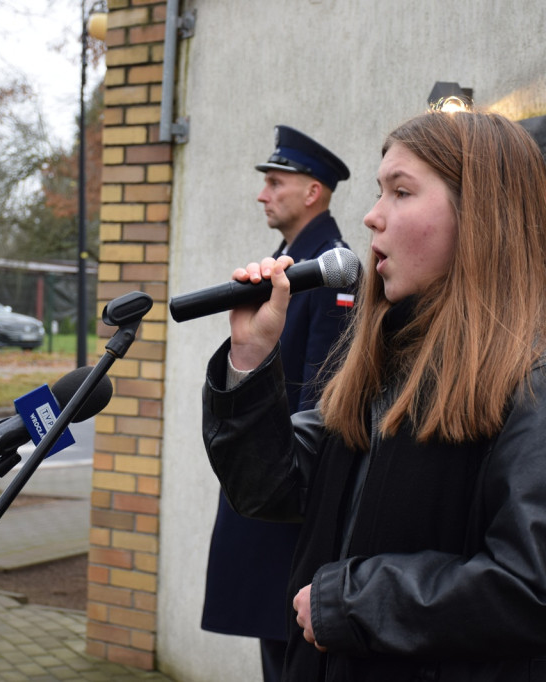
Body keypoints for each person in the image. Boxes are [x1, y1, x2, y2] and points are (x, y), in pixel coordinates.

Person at [202, 110, 546, 681]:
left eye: (401, 192)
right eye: (379, 192)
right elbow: (270, 485)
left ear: (481, 217)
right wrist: (250, 360)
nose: (372, 217)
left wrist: (348, 603)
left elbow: (537, 591)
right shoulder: (387, 362)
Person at [201, 125, 355, 682]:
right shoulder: (288, 259)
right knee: (274, 652)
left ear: (312, 190)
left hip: (291, 495)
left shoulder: (330, 268)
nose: (262, 194)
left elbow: (324, 393)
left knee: (291, 655)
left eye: (275, 182)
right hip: (268, 480)